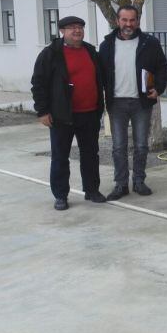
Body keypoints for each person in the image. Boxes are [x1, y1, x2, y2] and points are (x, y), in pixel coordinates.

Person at [30, 16, 106, 210]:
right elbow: (38, 84)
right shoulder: (51, 54)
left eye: (80, 27)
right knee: (60, 156)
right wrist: (43, 111)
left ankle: (92, 190)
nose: (77, 31)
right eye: (72, 28)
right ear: (62, 31)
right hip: (62, 115)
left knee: (90, 154)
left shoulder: (90, 51)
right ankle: (61, 195)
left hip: (89, 113)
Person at [99, 5, 167, 201]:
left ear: (137, 21)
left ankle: (139, 181)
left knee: (141, 145)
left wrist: (159, 88)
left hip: (141, 102)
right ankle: (120, 184)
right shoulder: (107, 45)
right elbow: (100, 74)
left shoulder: (150, 43)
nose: (128, 24)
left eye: (132, 20)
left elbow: (161, 66)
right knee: (118, 147)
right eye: (124, 20)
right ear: (117, 21)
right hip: (116, 103)